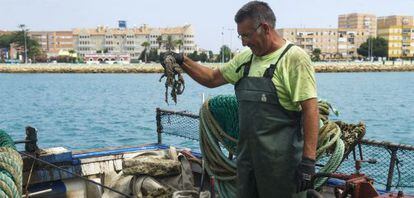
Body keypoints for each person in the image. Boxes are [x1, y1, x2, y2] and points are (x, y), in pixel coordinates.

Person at [160, 1, 319, 197]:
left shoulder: (294, 58)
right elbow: (211, 78)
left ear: (265, 28)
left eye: (247, 35)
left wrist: (308, 162)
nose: (243, 42)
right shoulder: (246, 59)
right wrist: (182, 60)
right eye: (240, 36)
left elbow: (310, 109)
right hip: (247, 162)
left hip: (282, 167)